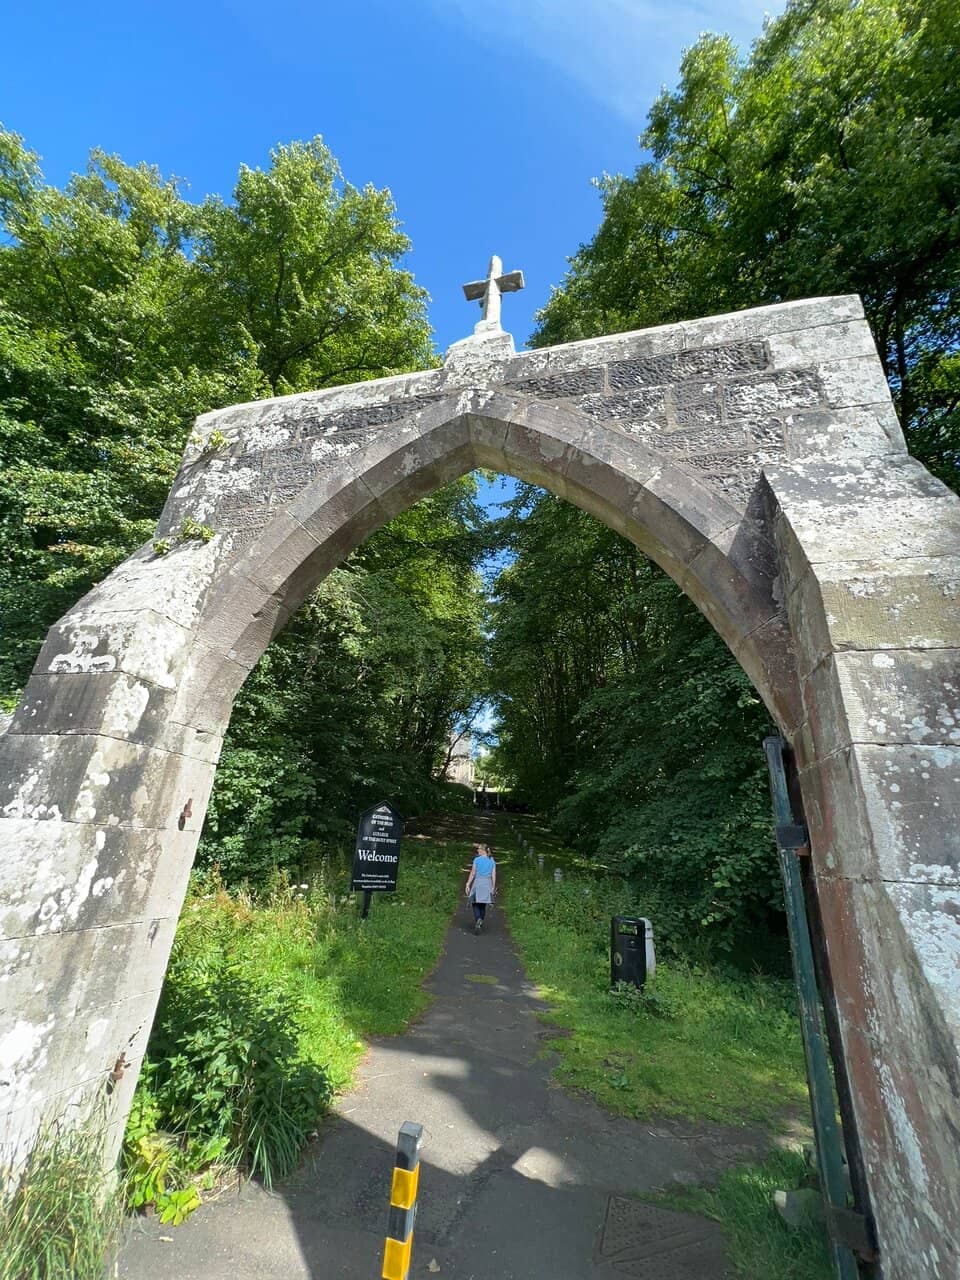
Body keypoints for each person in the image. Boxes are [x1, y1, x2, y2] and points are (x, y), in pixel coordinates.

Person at [465, 842, 496, 934]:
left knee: (475, 902)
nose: (477, 850)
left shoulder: (477, 860)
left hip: (478, 883)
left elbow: (473, 873)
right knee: (483, 905)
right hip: (487, 883)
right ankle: (480, 921)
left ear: (483, 850)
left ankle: (478, 919)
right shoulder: (492, 860)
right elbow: (493, 875)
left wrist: (468, 883)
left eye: (478, 849)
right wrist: (493, 886)